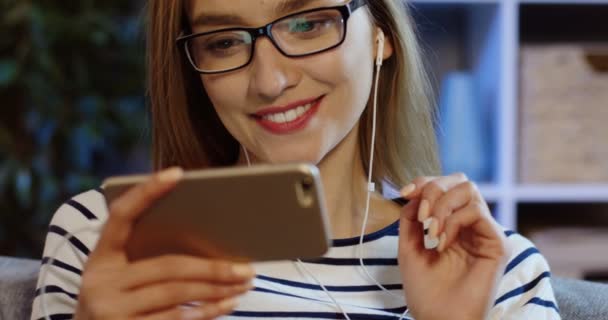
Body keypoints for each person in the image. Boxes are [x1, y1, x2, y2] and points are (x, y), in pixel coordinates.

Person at [31, 0, 561, 319]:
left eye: (307, 23)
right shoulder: (109, 238)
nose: (270, 81)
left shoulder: (494, 266)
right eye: (223, 42)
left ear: (380, 35)